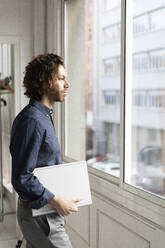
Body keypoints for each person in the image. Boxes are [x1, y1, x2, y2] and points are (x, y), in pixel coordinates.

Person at [9, 54, 81, 248]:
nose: (67, 84)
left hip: (45, 212)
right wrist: (58, 201)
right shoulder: (32, 120)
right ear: (45, 81)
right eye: (61, 78)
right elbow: (22, 177)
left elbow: (43, 165)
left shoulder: (43, 116)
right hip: (40, 214)